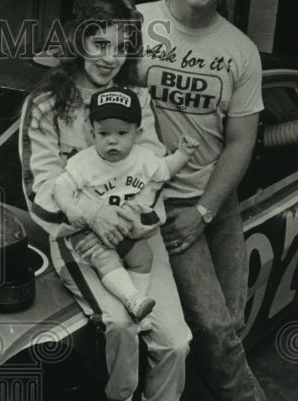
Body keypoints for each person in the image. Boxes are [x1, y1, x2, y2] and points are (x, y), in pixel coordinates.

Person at [20, 0, 192, 401]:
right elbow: (39, 191)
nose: (109, 56)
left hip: (137, 236)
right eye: (98, 42)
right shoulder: (46, 103)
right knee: (121, 324)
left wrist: (140, 217)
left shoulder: (136, 98)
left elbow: (156, 169)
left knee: (176, 340)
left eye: (120, 45)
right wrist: (94, 211)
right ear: (78, 41)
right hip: (78, 241)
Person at [135, 0, 275, 401]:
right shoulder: (136, 26)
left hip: (214, 201)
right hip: (157, 204)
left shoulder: (240, 51)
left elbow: (241, 140)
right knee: (215, 328)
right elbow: (82, 79)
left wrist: (209, 210)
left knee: (228, 328)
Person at [52, 87, 200, 325]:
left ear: (137, 133)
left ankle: (136, 306)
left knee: (144, 257)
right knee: (105, 258)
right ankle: (132, 298)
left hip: (125, 230)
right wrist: (71, 208)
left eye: (122, 133)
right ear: (91, 134)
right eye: (103, 133)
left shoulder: (143, 158)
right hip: (89, 230)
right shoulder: (84, 162)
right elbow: (61, 185)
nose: (112, 140)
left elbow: (165, 169)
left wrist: (183, 153)